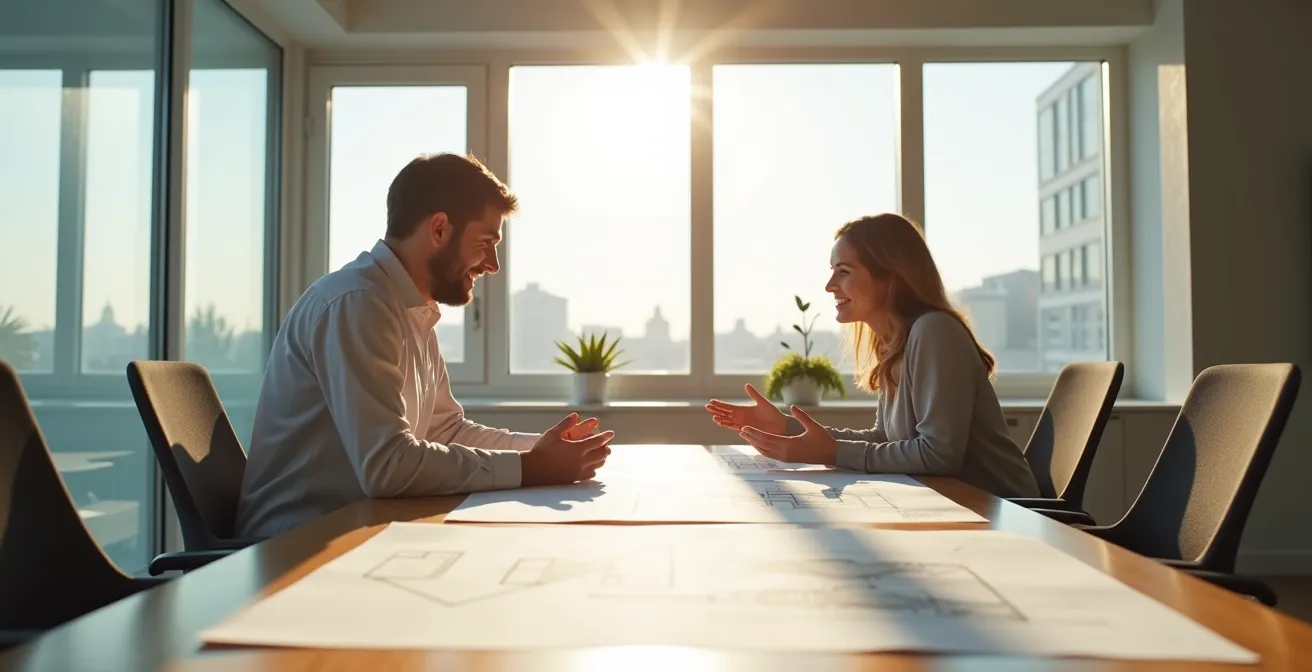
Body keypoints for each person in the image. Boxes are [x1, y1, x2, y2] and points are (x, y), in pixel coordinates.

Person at [236, 153, 613, 538]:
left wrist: (543, 451)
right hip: (292, 547)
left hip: (350, 529)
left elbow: (445, 432)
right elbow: (387, 466)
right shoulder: (357, 303)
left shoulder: (410, 308)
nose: (493, 265)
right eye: (486, 242)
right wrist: (533, 468)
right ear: (439, 229)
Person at [705, 213, 1039, 498]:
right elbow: (884, 439)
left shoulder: (935, 331)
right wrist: (786, 427)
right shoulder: (896, 343)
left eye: (844, 272)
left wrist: (833, 453)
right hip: (955, 505)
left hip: (1006, 513)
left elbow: (938, 455)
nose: (829, 285)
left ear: (890, 277)